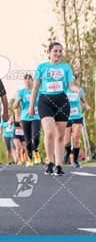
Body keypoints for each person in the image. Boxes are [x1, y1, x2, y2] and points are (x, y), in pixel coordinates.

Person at [29, 41, 79, 176]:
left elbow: (70, 85)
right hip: (45, 101)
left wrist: (76, 89)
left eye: (60, 51)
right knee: (50, 132)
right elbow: (35, 88)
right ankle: (50, 162)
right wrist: (31, 106)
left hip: (62, 101)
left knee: (61, 135)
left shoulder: (66, 67)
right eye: (55, 51)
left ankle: (58, 165)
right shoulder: (41, 67)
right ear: (49, 52)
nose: (58, 53)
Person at [14, 74, 41, 166]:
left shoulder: (38, 91)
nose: (28, 81)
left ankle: (36, 151)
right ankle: (30, 159)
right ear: (24, 81)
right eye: (26, 79)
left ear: (32, 81)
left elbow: (43, 102)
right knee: (27, 139)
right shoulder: (21, 92)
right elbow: (15, 106)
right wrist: (17, 101)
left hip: (36, 117)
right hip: (25, 118)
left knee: (36, 137)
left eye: (29, 79)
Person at [64, 76, 90, 168]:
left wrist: (86, 105)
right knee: (66, 142)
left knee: (75, 138)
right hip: (66, 118)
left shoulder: (79, 90)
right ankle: (67, 152)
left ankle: (75, 160)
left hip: (77, 117)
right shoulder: (64, 90)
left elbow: (83, 100)